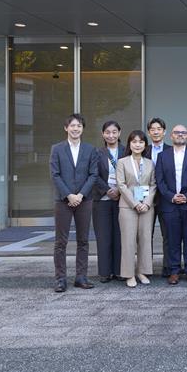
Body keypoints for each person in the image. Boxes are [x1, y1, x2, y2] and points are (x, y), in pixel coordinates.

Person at [49, 113, 99, 292]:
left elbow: (93, 174)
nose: (75, 128)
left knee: (83, 240)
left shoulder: (90, 149)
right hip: (63, 200)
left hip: (84, 200)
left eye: (79, 126)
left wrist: (80, 195)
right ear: (66, 128)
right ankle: (60, 279)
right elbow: (55, 175)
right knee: (60, 242)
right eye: (72, 125)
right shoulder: (57, 149)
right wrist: (69, 195)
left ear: (83, 129)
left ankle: (81, 277)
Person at [155, 125, 187, 285]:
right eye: (177, 132)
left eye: (183, 133)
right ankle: (174, 271)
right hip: (169, 204)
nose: (180, 135)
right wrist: (171, 196)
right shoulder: (163, 156)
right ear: (171, 136)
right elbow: (159, 180)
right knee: (172, 239)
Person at [116, 130, 156, 288]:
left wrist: (146, 203)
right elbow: (121, 185)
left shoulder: (150, 163)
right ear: (129, 144)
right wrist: (134, 203)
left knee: (145, 239)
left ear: (145, 145)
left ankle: (142, 271)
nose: (137, 145)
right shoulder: (122, 162)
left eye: (141, 142)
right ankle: (129, 274)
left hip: (146, 207)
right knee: (128, 241)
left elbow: (153, 184)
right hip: (128, 206)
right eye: (134, 142)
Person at [92, 120, 124, 283]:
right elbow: (93, 175)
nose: (111, 135)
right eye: (107, 132)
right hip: (102, 200)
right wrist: (107, 190)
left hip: (123, 200)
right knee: (104, 237)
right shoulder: (97, 153)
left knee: (120, 236)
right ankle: (105, 272)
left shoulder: (127, 151)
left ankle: (119, 270)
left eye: (114, 132)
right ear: (103, 134)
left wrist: (119, 190)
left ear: (119, 133)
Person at [146, 117, 172, 277]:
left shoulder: (171, 150)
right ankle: (146, 268)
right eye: (152, 129)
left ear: (164, 132)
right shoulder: (143, 150)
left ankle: (168, 267)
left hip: (165, 198)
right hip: (146, 197)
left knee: (167, 234)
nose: (156, 132)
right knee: (146, 234)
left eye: (159, 129)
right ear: (149, 133)